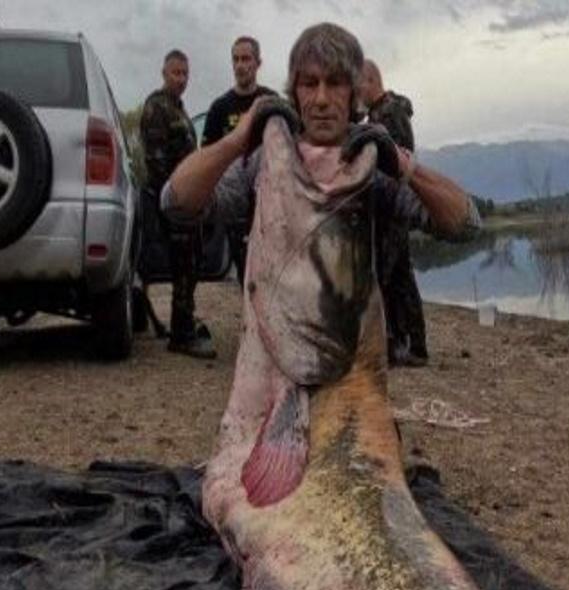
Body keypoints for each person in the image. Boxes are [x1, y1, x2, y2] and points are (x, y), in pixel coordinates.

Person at [162, 24, 480, 344]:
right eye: (310, 83)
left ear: (354, 93)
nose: (322, 99)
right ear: (295, 93)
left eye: (336, 83)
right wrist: (237, 140)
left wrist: (401, 163)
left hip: (351, 359)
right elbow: (176, 203)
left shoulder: (371, 162)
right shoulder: (266, 159)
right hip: (277, 349)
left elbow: (465, 224)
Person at [139, 49, 215, 358]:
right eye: (176, 73)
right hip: (173, 201)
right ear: (164, 72)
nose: (181, 79)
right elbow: (156, 161)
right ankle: (181, 336)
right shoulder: (156, 107)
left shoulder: (178, 108)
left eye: (185, 74)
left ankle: (182, 321)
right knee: (183, 265)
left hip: (186, 199)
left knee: (191, 263)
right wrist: (173, 199)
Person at [360, 59, 428, 367]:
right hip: (383, 209)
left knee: (391, 276)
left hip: (393, 208)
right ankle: (407, 344)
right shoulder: (377, 115)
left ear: (369, 80)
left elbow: (399, 161)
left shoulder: (390, 114)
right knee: (397, 275)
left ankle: (404, 343)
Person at [201, 36, 278, 284]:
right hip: (235, 209)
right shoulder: (219, 108)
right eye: (235, 59)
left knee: (271, 275)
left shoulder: (271, 101)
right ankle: (249, 320)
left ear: (258, 63)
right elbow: (208, 157)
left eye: (246, 59)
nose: (240, 65)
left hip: (269, 206)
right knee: (245, 277)